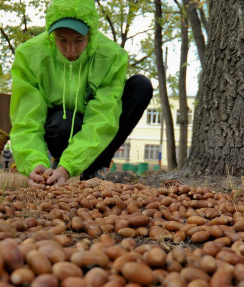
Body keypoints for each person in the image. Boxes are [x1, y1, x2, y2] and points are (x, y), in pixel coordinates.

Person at [9, 0, 153, 188]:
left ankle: (96, 166)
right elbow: (27, 119)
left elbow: (102, 117)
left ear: (91, 34)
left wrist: (67, 168)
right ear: (51, 35)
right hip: (59, 127)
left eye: (78, 40)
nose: (71, 51)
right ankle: (58, 161)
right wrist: (35, 164)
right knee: (63, 122)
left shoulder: (111, 57)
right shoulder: (29, 56)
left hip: (93, 127)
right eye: (62, 40)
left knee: (141, 86)